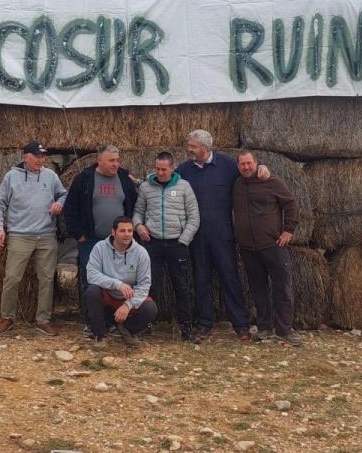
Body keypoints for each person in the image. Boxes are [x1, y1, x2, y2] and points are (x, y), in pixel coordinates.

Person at [176, 129, 268, 341]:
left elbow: (249, 174)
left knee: (230, 278)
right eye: (189, 145)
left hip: (223, 235)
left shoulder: (227, 165)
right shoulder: (184, 169)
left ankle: (241, 325)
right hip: (196, 236)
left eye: (193, 146)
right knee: (201, 280)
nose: (188, 150)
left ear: (206, 148)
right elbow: (166, 180)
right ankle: (204, 324)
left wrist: (262, 168)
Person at [0, 141, 67, 336]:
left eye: (43, 156)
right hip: (20, 235)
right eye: (37, 156)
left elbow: (64, 195)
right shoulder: (11, 177)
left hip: (46, 236)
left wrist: (59, 203)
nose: (41, 160)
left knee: (47, 279)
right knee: (12, 278)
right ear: (26, 156)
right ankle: (7, 317)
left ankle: (43, 320)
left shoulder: (51, 176)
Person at [63, 144, 138, 336]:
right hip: (91, 240)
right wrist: (79, 234)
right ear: (99, 161)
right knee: (92, 282)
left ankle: (112, 321)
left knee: (117, 280)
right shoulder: (84, 179)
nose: (116, 164)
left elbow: (134, 203)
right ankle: (92, 323)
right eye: (111, 160)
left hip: (119, 243)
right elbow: (70, 208)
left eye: (117, 160)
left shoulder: (124, 178)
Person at [232, 150, 302, 346]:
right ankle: (264, 328)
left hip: (273, 245)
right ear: (238, 166)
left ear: (256, 163)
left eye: (249, 164)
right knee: (257, 289)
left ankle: (284, 330)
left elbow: (291, 204)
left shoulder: (271, 182)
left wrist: (288, 230)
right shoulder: (237, 184)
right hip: (248, 248)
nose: (246, 167)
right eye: (242, 164)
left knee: (282, 288)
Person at [132, 151, 200, 342]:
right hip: (152, 244)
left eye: (164, 169)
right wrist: (139, 226)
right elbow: (138, 212)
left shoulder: (184, 187)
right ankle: (145, 326)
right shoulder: (146, 187)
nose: (160, 173)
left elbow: (194, 216)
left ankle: (186, 329)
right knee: (150, 285)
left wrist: (183, 240)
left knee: (182, 286)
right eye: (157, 169)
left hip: (177, 244)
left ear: (172, 168)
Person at [85, 216, 158, 348]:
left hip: (128, 297)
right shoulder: (100, 248)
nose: (127, 234)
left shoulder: (141, 253)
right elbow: (91, 274)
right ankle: (100, 336)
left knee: (151, 309)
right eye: (122, 231)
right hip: (107, 294)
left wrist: (128, 305)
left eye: (130, 231)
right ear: (113, 232)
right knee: (92, 292)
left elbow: (144, 284)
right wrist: (117, 284)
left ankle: (126, 330)